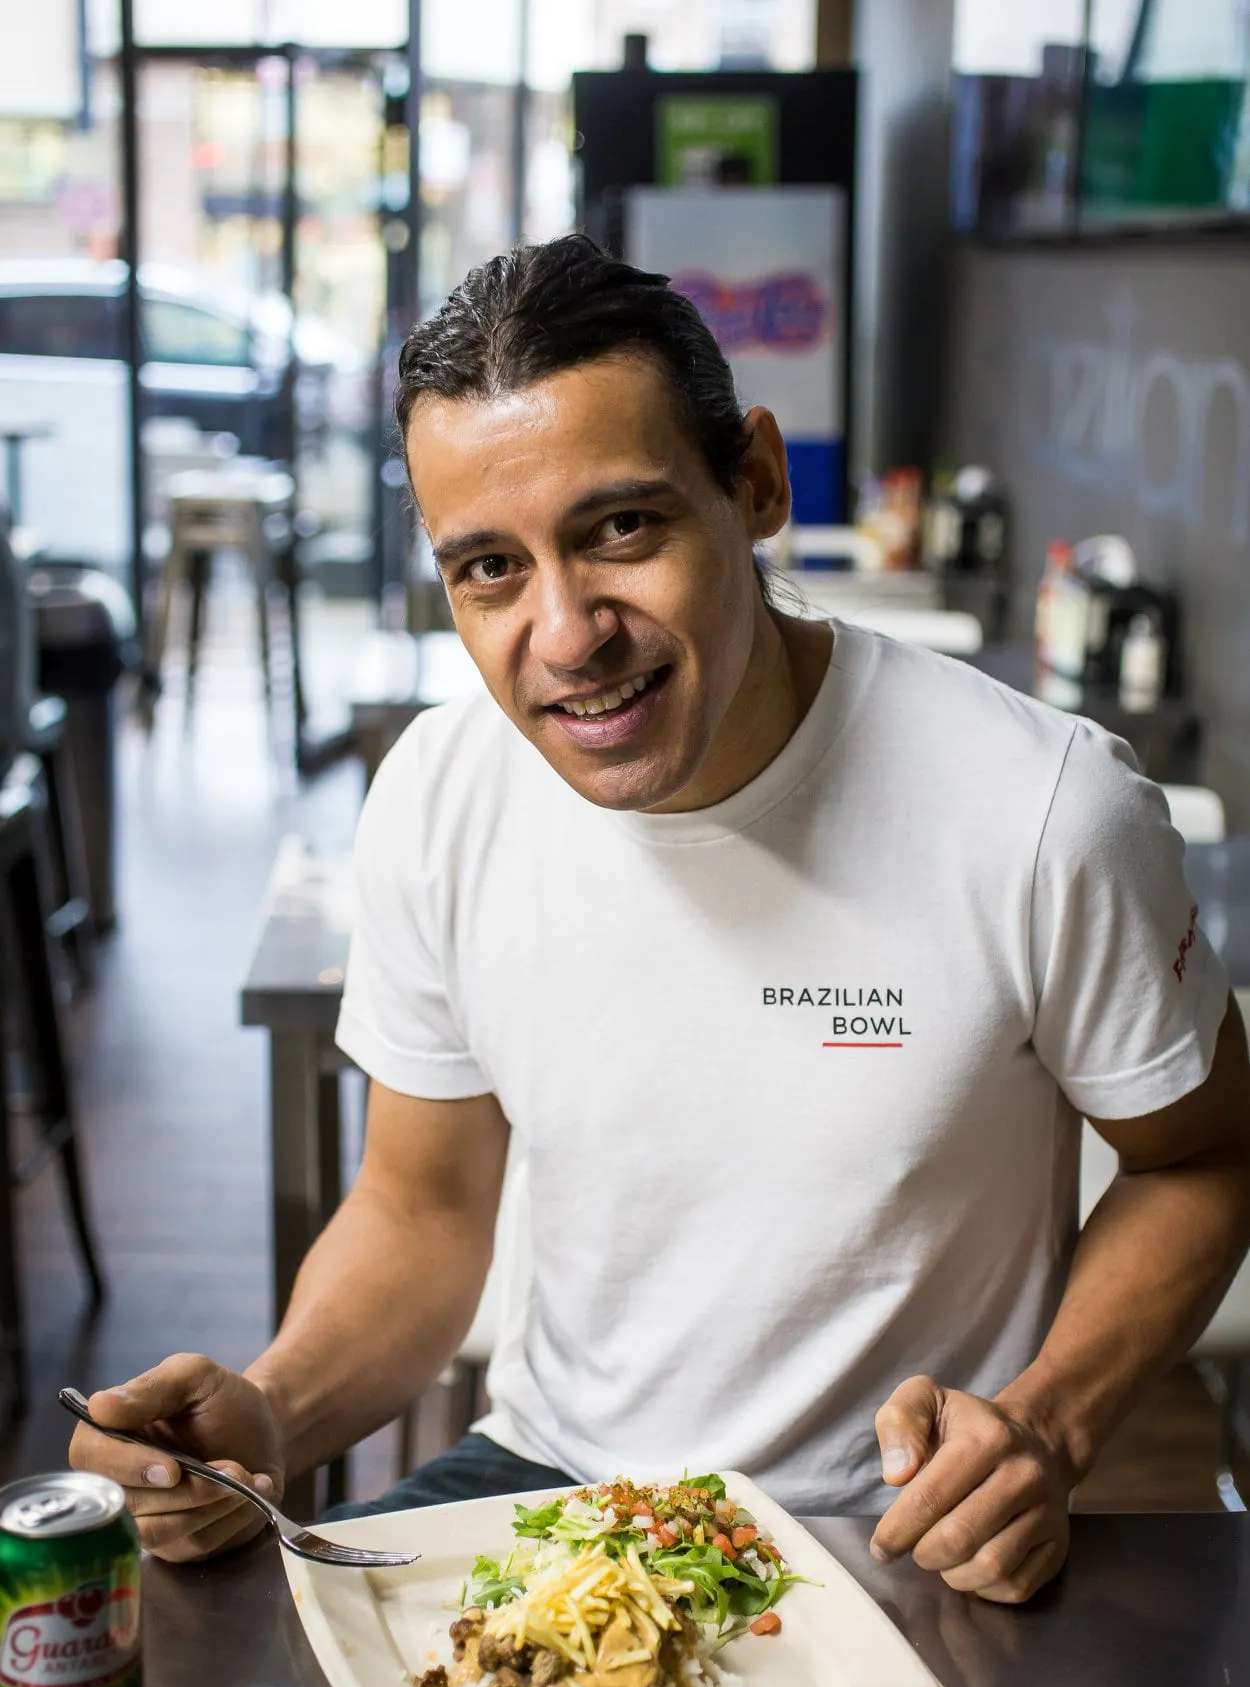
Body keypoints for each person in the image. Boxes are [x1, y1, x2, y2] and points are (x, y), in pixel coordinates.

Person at [70, 236, 1250, 1604]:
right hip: (550, 1488)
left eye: (619, 528)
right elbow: (420, 1207)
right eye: (490, 569)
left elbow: (1205, 1157)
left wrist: (1046, 1420)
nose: (566, 633)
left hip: (884, 1542)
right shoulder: (441, 791)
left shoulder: (1041, 808)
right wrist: (271, 1409)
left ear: (752, 481)